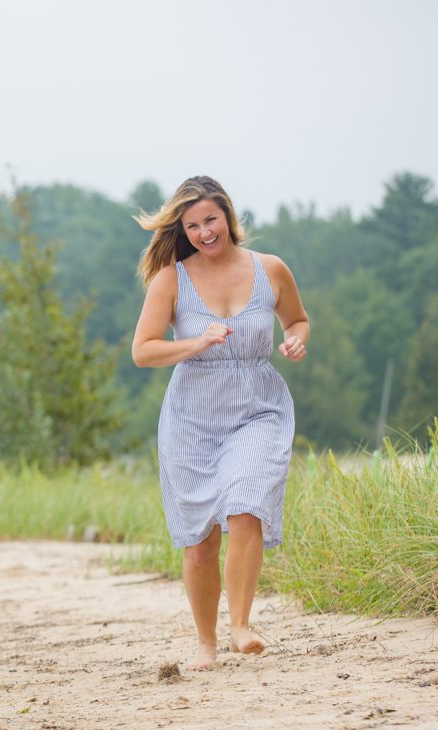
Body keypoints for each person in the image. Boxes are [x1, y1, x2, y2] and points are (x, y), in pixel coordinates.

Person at [130, 175, 309, 671]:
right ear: (182, 230)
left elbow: (298, 319)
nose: (204, 232)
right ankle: (205, 643)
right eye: (192, 226)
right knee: (200, 539)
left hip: (258, 408)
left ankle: (240, 626)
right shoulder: (171, 279)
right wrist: (196, 342)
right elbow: (143, 351)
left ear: (228, 215)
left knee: (247, 505)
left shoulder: (270, 269)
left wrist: (296, 338)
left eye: (211, 220)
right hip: (192, 416)